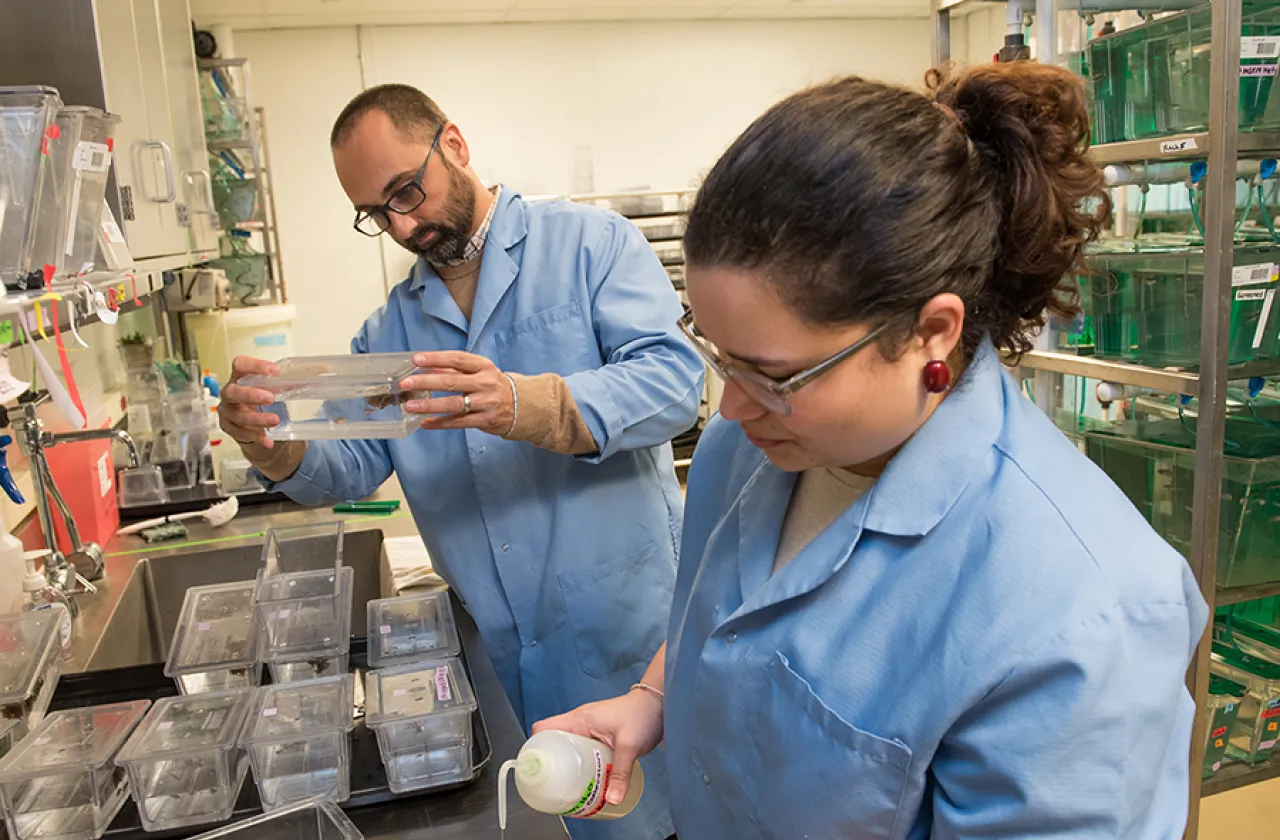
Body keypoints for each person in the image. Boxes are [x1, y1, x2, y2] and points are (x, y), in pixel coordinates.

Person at [536, 63, 1210, 838]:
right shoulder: (742, 450)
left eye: (775, 376)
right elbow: (725, 624)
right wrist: (653, 700)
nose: (731, 405)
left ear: (932, 331)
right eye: (719, 355)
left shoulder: (1081, 615)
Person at [219, 84, 701, 840]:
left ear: (454, 144)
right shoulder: (391, 328)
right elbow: (351, 467)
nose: (402, 225)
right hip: (503, 657)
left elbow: (675, 386)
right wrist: (269, 445)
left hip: (630, 639)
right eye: (375, 214)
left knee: (666, 820)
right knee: (556, 818)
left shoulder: (589, 245)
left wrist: (528, 403)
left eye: (406, 192)